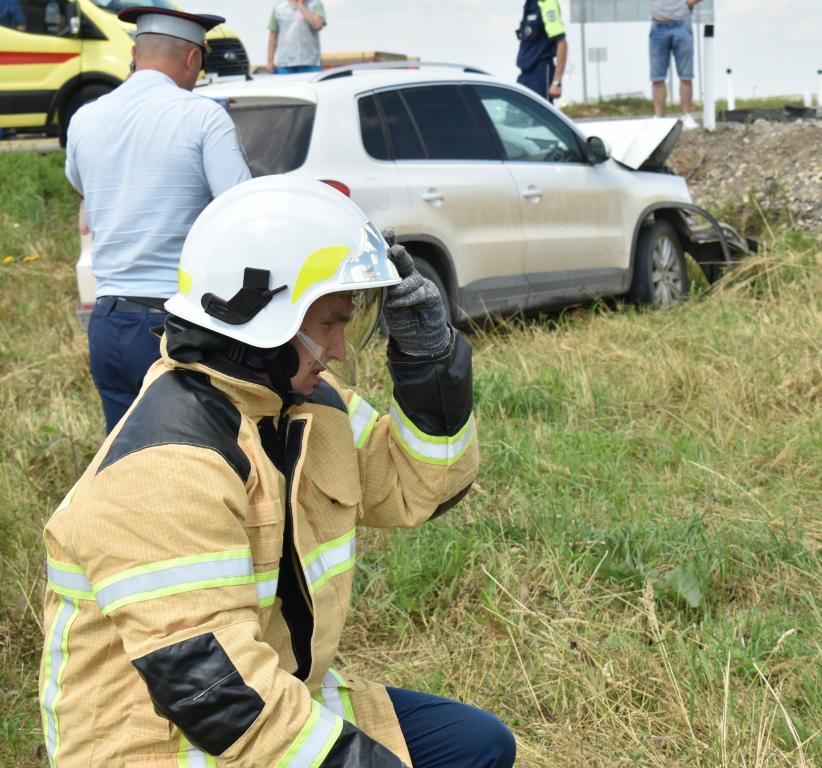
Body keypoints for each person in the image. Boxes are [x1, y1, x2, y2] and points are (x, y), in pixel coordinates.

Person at [39, 176, 516, 768]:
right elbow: (220, 700)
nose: (339, 349)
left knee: (479, 745)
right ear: (264, 322)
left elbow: (420, 487)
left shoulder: (302, 406)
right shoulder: (162, 471)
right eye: (330, 324)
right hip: (165, 746)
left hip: (280, 699)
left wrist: (430, 367)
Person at [65, 6, 251, 433]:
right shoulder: (202, 116)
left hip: (108, 323)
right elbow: (239, 210)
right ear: (192, 59)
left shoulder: (85, 119)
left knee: (123, 467)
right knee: (190, 460)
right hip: (175, 328)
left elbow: (82, 186)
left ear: (135, 54)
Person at [650, 0, 703, 129]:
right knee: (657, 77)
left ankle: (686, 116)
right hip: (658, 24)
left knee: (686, 75)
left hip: (682, 24)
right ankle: (659, 117)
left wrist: (690, 3)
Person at [516, 0, 567, 104]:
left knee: (538, 118)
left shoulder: (547, 3)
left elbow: (561, 42)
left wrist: (556, 82)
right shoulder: (529, 4)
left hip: (540, 74)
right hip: (525, 74)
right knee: (515, 117)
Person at [267, 0, 326, 74]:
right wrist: (270, 61)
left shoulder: (316, 4)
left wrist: (301, 6)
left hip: (311, 62)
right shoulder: (279, 8)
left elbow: (318, 25)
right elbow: (273, 36)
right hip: (285, 64)